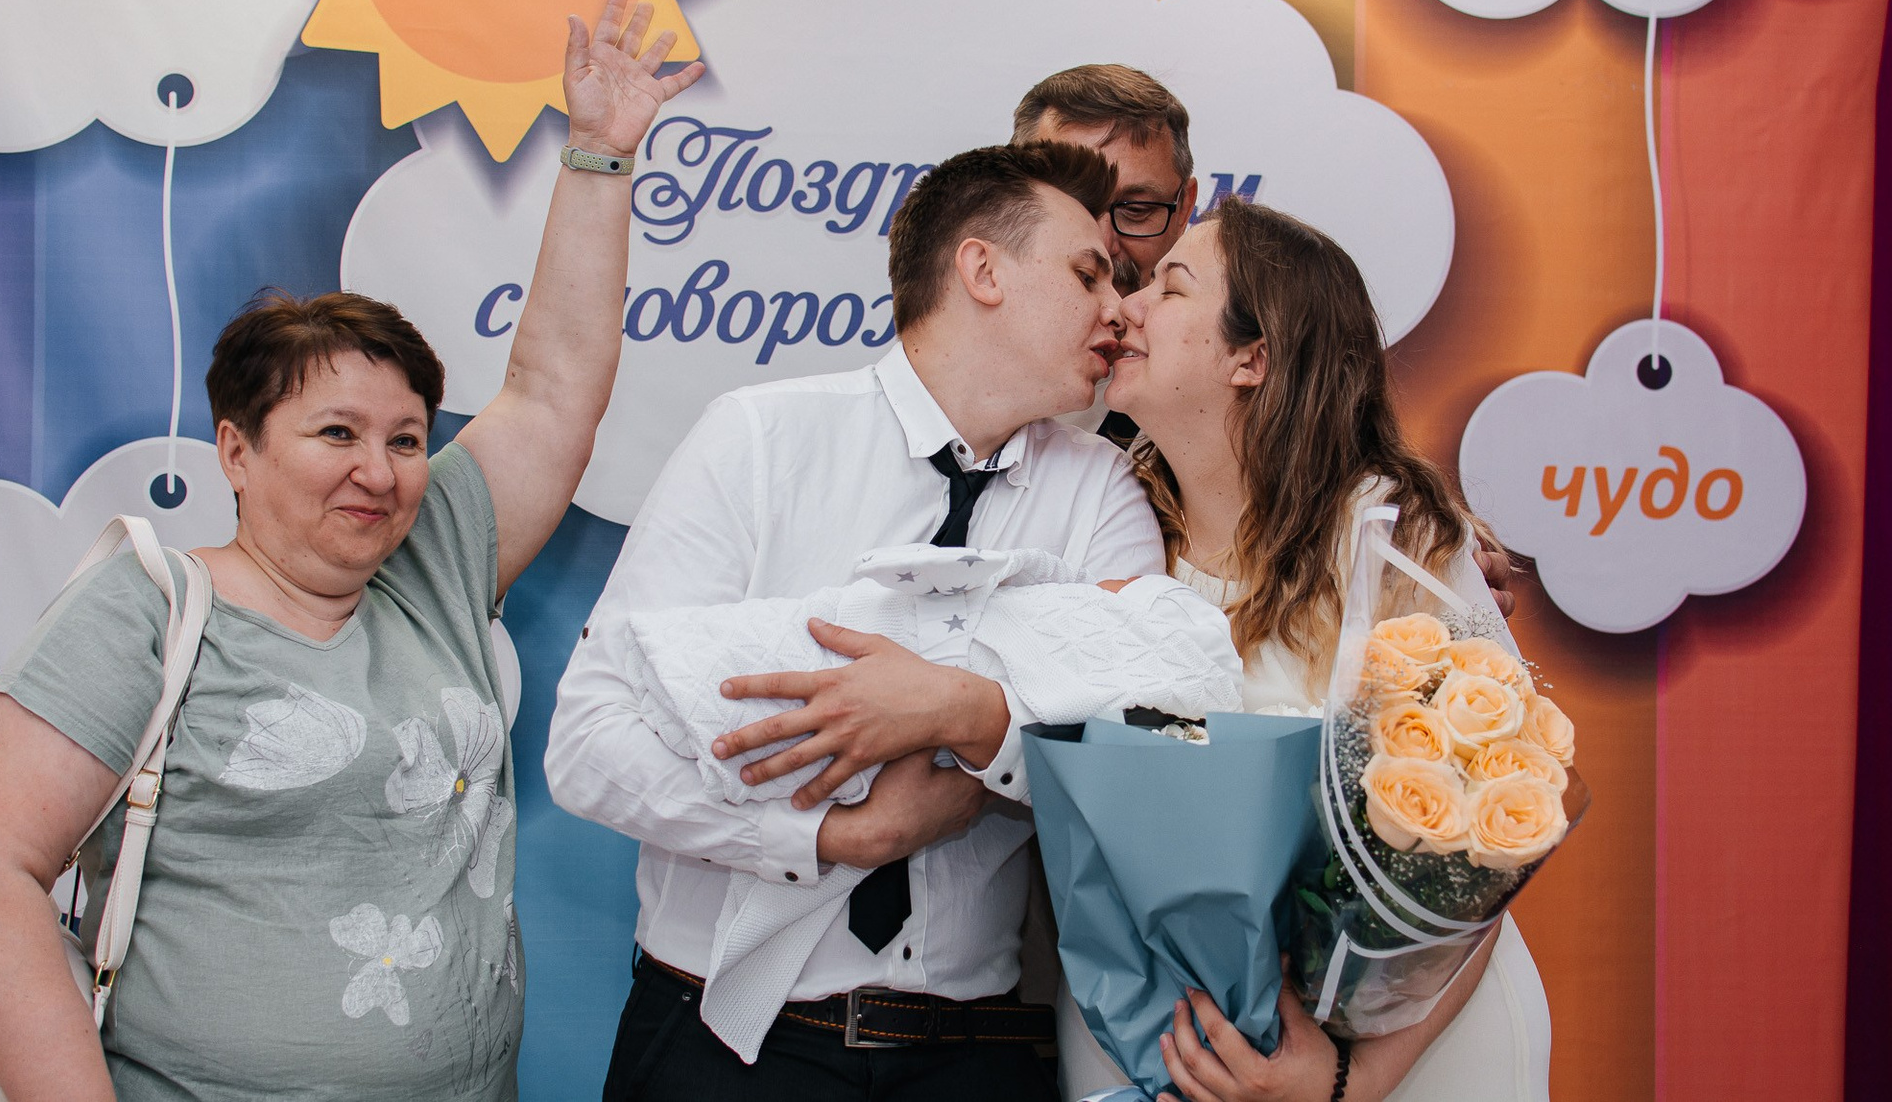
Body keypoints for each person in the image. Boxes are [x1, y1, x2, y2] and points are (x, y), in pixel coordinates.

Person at [0, 0, 700, 1102]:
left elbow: (554, 387)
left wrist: (601, 155)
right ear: (236, 449)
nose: (381, 469)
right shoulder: (146, 607)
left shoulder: (435, 559)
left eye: (406, 438)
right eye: (336, 434)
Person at [546, 140, 1236, 1101]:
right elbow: (587, 743)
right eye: (1089, 275)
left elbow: (1142, 745)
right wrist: (830, 837)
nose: (1120, 310)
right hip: (719, 1039)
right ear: (983, 270)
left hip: (972, 1049)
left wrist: (965, 715)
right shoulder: (759, 438)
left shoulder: (1102, 493)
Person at [1080, 195, 1552, 1102]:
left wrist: (1347, 1081)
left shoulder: (1391, 537)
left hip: (1412, 1056)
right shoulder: (1106, 528)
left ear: (1252, 358)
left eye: (1169, 288)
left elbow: (1481, 849)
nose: (1125, 307)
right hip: (1179, 1049)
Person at [1010, 64, 1516, 617]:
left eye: (1136, 209)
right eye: (1075, 207)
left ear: (1184, 207)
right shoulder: (959, 379)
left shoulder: (1377, 531)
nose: (1103, 243)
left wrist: (1425, 551)